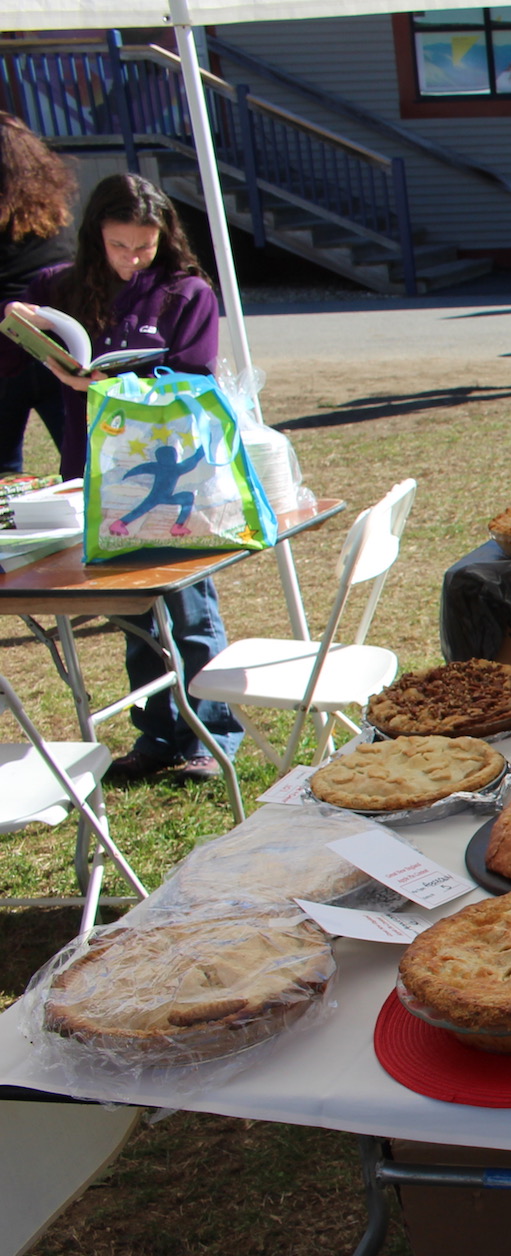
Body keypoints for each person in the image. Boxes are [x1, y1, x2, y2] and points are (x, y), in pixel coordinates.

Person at [0, 173, 242, 783]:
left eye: (144, 245)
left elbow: (195, 378)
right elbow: (15, 360)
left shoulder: (186, 291)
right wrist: (18, 323)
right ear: (94, 239)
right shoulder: (61, 286)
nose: (134, 259)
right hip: (94, 468)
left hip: (173, 468)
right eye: (120, 246)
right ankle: (159, 734)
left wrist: (115, 382)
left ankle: (212, 736)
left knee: (187, 603)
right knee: (132, 610)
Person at [0, 112, 73, 478]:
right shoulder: (52, 215)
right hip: (55, 346)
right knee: (82, 462)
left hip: (5, 343)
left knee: (3, 470)